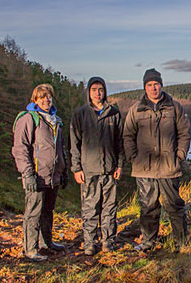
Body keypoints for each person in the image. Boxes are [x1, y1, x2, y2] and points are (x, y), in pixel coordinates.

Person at [123, 68, 191, 252]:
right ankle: (149, 242)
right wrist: (133, 157)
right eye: (149, 85)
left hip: (169, 166)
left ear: (161, 85)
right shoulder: (135, 109)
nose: (153, 88)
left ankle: (181, 242)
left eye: (156, 84)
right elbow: (128, 135)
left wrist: (180, 155)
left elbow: (184, 133)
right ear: (144, 87)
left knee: (174, 206)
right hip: (144, 168)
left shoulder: (174, 107)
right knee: (148, 207)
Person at [12, 83, 68, 262]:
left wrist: (64, 170)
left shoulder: (55, 120)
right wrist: (27, 173)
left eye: (49, 96)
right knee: (33, 212)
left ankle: (46, 243)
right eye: (42, 97)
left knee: (48, 211)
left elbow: (61, 148)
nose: (46, 100)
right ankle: (30, 249)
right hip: (37, 175)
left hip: (53, 176)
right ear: (35, 100)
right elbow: (20, 148)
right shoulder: (29, 119)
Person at [70, 77, 124, 256]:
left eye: (100, 89)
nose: (97, 93)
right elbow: (74, 144)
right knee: (90, 208)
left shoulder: (114, 113)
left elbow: (120, 143)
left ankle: (108, 241)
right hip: (89, 170)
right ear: (89, 92)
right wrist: (76, 168)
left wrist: (119, 165)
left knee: (109, 208)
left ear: (105, 91)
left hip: (109, 169)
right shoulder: (81, 114)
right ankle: (90, 242)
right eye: (94, 89)